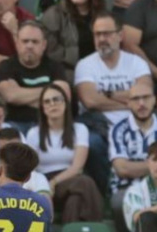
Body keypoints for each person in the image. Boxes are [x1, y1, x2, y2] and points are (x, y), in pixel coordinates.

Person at [74, 12, 152, 195]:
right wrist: (131, 101)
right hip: (99, 125)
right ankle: (107, 194)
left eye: (107, 33)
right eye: (97, 34)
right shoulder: (85, 65)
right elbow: (90, 101)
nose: (102, 39)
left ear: (120, 35)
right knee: (92, 142)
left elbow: (146, 95)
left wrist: (108, 94)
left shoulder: (136, 63)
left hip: (135, 125)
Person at [109, 82, 157, 232]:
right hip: (127, 188)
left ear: (154, 100)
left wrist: (137, 167)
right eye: (135, 99)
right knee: (118, 202)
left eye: (146, 98)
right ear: (128, 103)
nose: (141, 103)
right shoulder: (118, 130)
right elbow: (121, 169)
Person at [26, 84, 103, 223]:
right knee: (85, 183)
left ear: (65, 103)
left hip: (69, 177)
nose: (52, 104)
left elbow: (77, 167)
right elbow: (30, 168)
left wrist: (54, 182)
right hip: (44, 180)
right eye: (47, 102)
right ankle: (96, 228)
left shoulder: (80, 129)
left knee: (75, 200)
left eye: (56, 99)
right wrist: (45, 185)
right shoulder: (34, 133)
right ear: (42, 108)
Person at [0, 21, 71, 134]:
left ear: (43, 45)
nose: (29, 46)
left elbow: (64, 95)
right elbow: (10, 96)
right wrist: (50, 93)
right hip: (15, 125)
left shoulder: (55, 67)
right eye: (25, 41)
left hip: (48, 124)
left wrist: (20, 94)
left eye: (35, 42)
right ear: (17, 44)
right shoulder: (6, 66)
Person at [41, 0, 106, 82]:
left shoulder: (103, 14)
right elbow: (52, 52)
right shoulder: (54, 14)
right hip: (68, 73)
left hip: (99, 71)